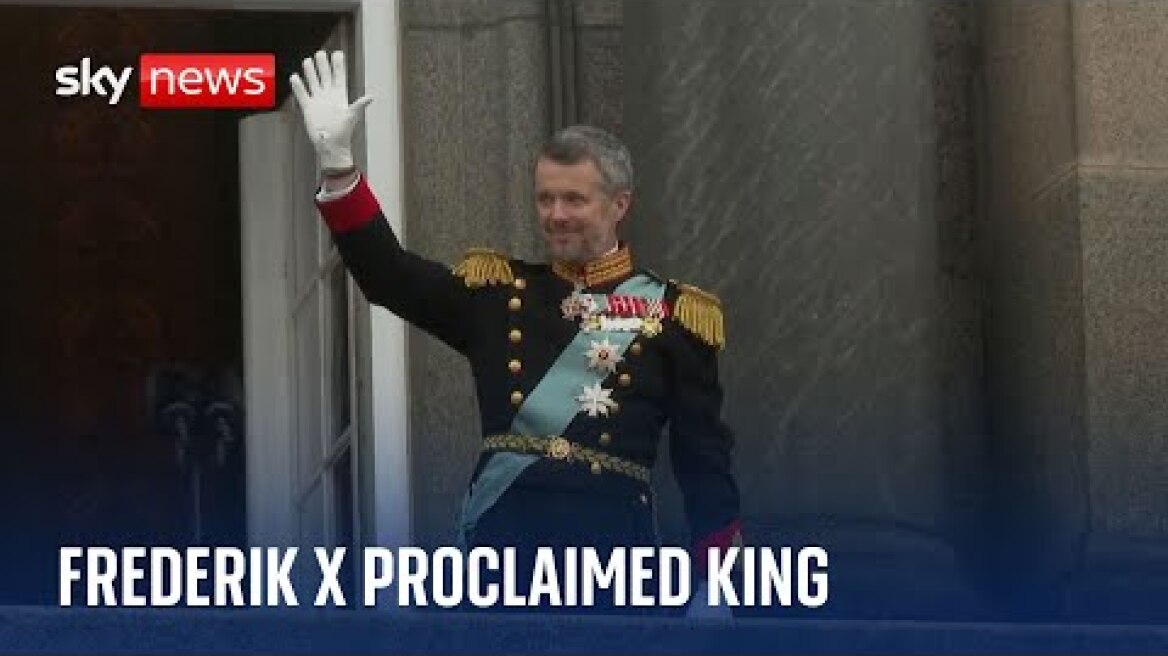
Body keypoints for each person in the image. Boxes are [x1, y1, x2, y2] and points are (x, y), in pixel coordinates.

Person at [290, 51, 741, 614]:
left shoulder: (676, 316)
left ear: (619, 204)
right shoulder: (499, 294)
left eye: (573, 199)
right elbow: (390, 277)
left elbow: (704, 461)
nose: (555, 215)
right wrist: (338, 168)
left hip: (614, 566)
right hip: (502, 559)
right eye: (545, 198)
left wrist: (717, 582)